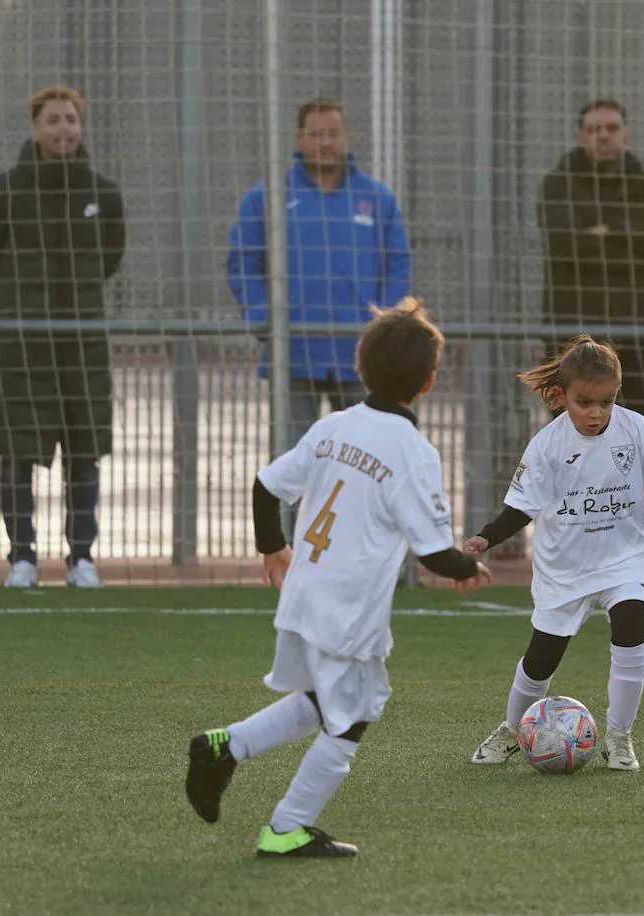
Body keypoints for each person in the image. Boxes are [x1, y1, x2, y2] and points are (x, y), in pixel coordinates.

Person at [184, 298, 491, 857]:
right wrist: (468, 564)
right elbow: (432, 553)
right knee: (351, 720)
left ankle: (224, 748)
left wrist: (273, 547)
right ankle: (286, 830)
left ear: (358, 366)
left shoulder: (333, 426)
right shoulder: (413, 453)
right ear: (428, 382)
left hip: (304, 596)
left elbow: (265, 486)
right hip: (348, 613)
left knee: (327, 704)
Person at [464, 336, 644, 772]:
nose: (598, 412)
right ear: (559, 397)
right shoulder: (546, 446)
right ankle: (512, 728)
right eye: (585, 402)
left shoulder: (636, 430)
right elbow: (521, 507)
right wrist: (485, 539)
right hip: (564, 570)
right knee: (542, 658)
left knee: (631, 631)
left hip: (626, 558)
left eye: (607, 401)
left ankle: (619, 737)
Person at [0, 85, 126, 589]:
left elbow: (110, 258)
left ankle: (82, 559)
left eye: (70, 120)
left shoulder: (103, 194)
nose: (63, 130)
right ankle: (22, 559)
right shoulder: (3, 192)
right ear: (35, 129)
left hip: (82, 346)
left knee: (83, 452)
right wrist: (19, 306)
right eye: (53, 121)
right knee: (16, 452)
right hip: (20, 346)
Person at [228, 96, 412, 449]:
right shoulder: (267, 197)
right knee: (294, 463)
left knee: (367, 461)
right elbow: (243, 262)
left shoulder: (377, 199)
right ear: (299, 138)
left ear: (346, 137)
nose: (325, 142)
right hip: (292, 353)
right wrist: (262, 318)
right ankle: (293, 510)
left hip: (363, 358)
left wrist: (386, 326)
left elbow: (398, 263)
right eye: (316, 134)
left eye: (333, 133)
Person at [537, 98, 644, 423]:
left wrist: (608, 230)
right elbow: (564, 244)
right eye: (594, 129)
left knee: (631, 434)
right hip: (571, 336)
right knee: (568, 437)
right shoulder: (557, 184)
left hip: (634, 336)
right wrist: (639, 237)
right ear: (581, 136)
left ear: (626, 135)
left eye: (611, 128)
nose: (603, 136)